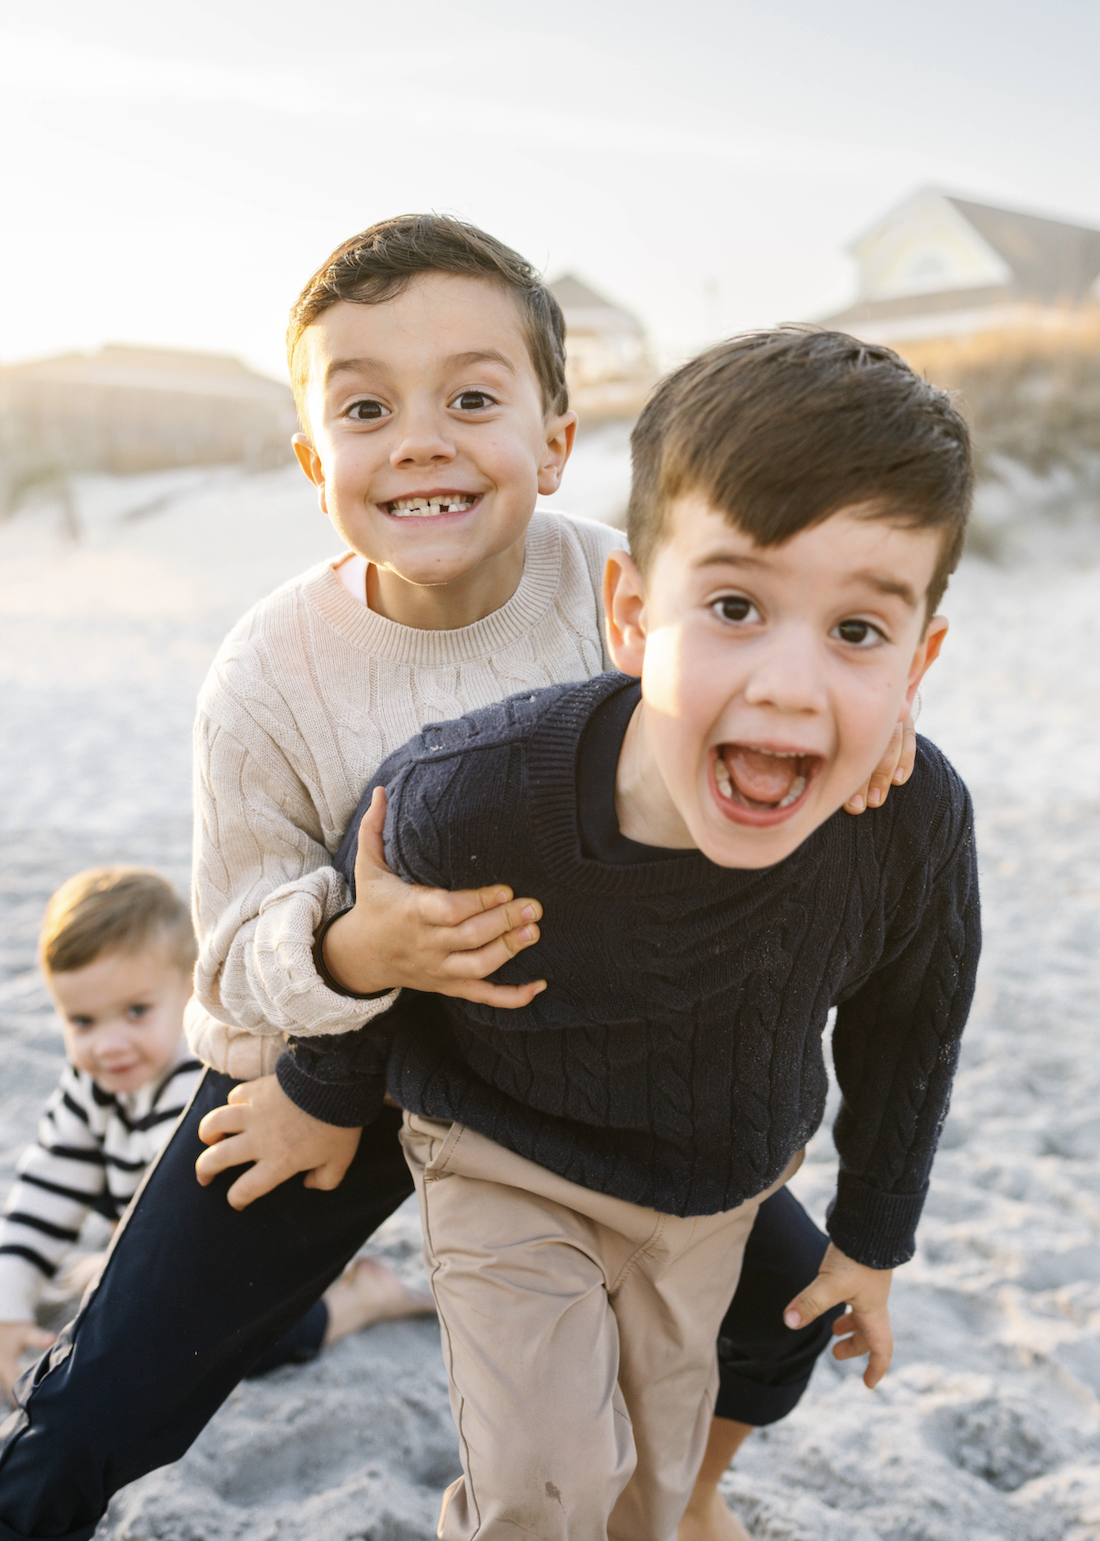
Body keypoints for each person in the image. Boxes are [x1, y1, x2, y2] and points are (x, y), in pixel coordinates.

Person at [0, 219, 910, 1541]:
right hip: (327, 1072)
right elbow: (237, 944)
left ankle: (692, 1494)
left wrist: (853, 741)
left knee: (778, 1319)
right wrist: (354, 953)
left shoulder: (631, 594)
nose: (420, 437)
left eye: (472, 397)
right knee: (118, 1385)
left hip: (582, 1065)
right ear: (318, 462)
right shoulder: (270, 674)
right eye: (367, 407)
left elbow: (772, 693)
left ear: (554, 435)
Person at [264, 325, 981, 1537]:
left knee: (650, 1484)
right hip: (504, 1148)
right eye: (738, 605)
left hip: (707, 1188)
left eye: (858, 633)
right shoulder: (480, 793)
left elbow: (914, 1023)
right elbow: (372, 890)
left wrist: (872, 1238)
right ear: (635, 615)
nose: (793, 686)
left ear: (917, 664)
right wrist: (322, 1088)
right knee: (548, 1482)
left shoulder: (906, 826)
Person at [0, 868, 428, 1410]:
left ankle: (364, 1300)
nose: (110, 1045)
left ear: (189, 993)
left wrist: (113, 1278)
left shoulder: (195, 1082)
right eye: (82, 1021)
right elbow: (45, 1190)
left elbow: (192, 1249)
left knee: (221, 1354)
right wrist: (9, 1306)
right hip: (163, 1253)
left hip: (257, 1257)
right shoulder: (91, 1085)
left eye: (136, 1012)